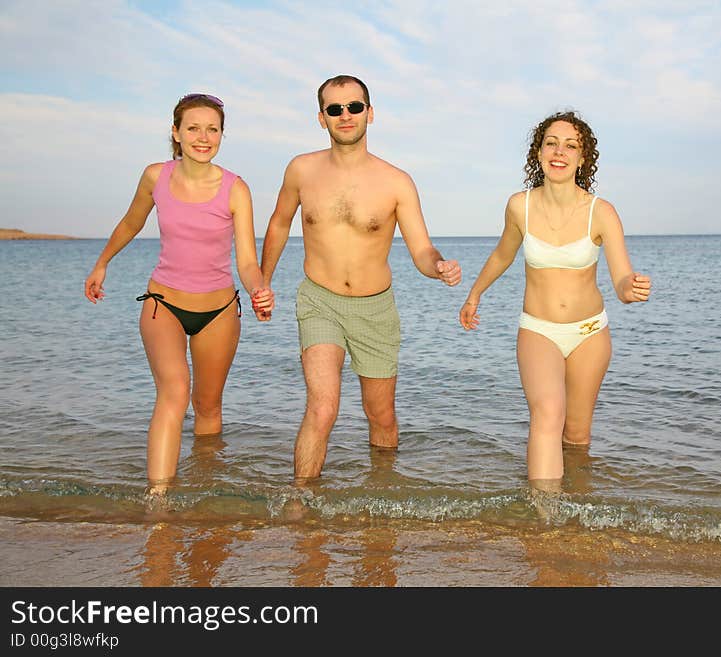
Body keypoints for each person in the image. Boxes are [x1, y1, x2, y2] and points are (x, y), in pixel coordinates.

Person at [260, 74, 461, 480]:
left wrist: (438, 267)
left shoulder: (396, 181)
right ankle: (302, 507)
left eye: (354, 106)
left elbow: (421, 248)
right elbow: (280, 224)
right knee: (323, 406)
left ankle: (380, 503)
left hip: (375, 307)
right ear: (322, 118)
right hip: (320, 300)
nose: (345, 115)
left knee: (381, 415)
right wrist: (263, 281)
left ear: (370, 113)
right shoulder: (301, 170)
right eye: (335, 109)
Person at [84, 93, 275, 494]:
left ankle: (204, 494)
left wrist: (259, 288)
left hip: (219, 310)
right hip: (163, 305)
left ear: (222, 135)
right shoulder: (156, 176)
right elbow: (131, 222)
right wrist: (103, 262)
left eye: (212, 129)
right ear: (176, 132)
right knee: (174, 392)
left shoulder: (236, 189)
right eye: (193, 128)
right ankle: (159, 499)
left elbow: (245, 261)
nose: (203, 137)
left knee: (207, 407)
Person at [459, 110, 651, 486]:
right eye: (551, 143)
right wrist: (474, 295)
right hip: (538, 330)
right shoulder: (520, 206)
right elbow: (503, 254)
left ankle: (574, 519)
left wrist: (631, 289)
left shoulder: (602, 212)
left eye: (571, 145)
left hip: (590, 333)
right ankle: (544, 518)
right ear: (538, 152)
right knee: (547, 414)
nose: (559, 152)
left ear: (583, 158)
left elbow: (621, 277)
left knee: (576, 436)